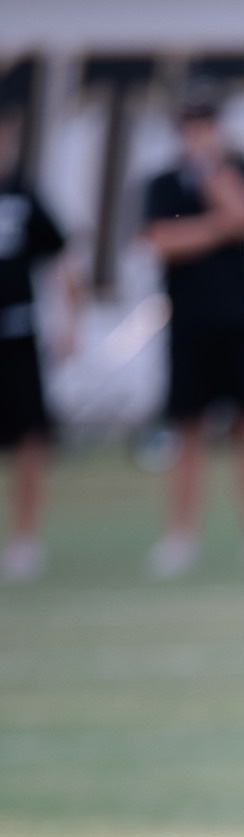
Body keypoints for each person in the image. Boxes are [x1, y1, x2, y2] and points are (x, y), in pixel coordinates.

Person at [143, 91, 244, 578]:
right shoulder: (162, 183)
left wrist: (211, 172)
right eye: (192, 125)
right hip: (189, 323)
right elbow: (162, 241)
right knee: (187, 429)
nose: (200, 133)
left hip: (240, 321)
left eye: (207, 123)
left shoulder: (241, 169)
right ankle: (181, 537)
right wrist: (217, 227)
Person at [0, 103, 79, 585]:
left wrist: (70, 323)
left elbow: (61, 257)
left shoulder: (23, 196)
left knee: (31, 439)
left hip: (17, 333)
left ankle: (24, 540)